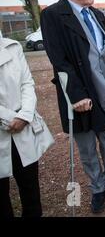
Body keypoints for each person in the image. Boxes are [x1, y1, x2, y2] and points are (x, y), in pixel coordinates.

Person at [41, 0, 105, 214]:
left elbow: (103, 54)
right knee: (87, 145)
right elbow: (58, 59)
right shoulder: (53, 15)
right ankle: (98, 188)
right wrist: (77, 94)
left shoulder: (97, 15)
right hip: (80, 94)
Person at [0, 37, 54, 217]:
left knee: (30, 185)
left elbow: (27, 83)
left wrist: (25, 115)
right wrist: (10, 118)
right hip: (5, 126)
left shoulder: (12, 47)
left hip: (22, 126)